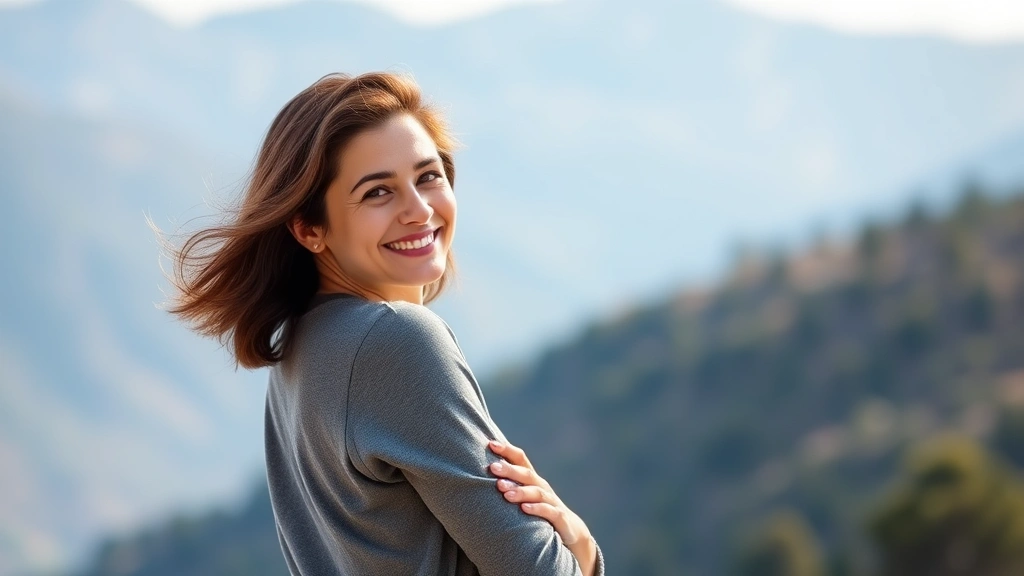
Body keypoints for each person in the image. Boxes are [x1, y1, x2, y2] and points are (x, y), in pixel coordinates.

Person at [161, 72, 604, 575]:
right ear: (310, 229)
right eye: (377, 193)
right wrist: (582, 547)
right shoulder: (396, 340)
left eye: (428, 176)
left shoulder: (304, 347)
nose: (418, 210)